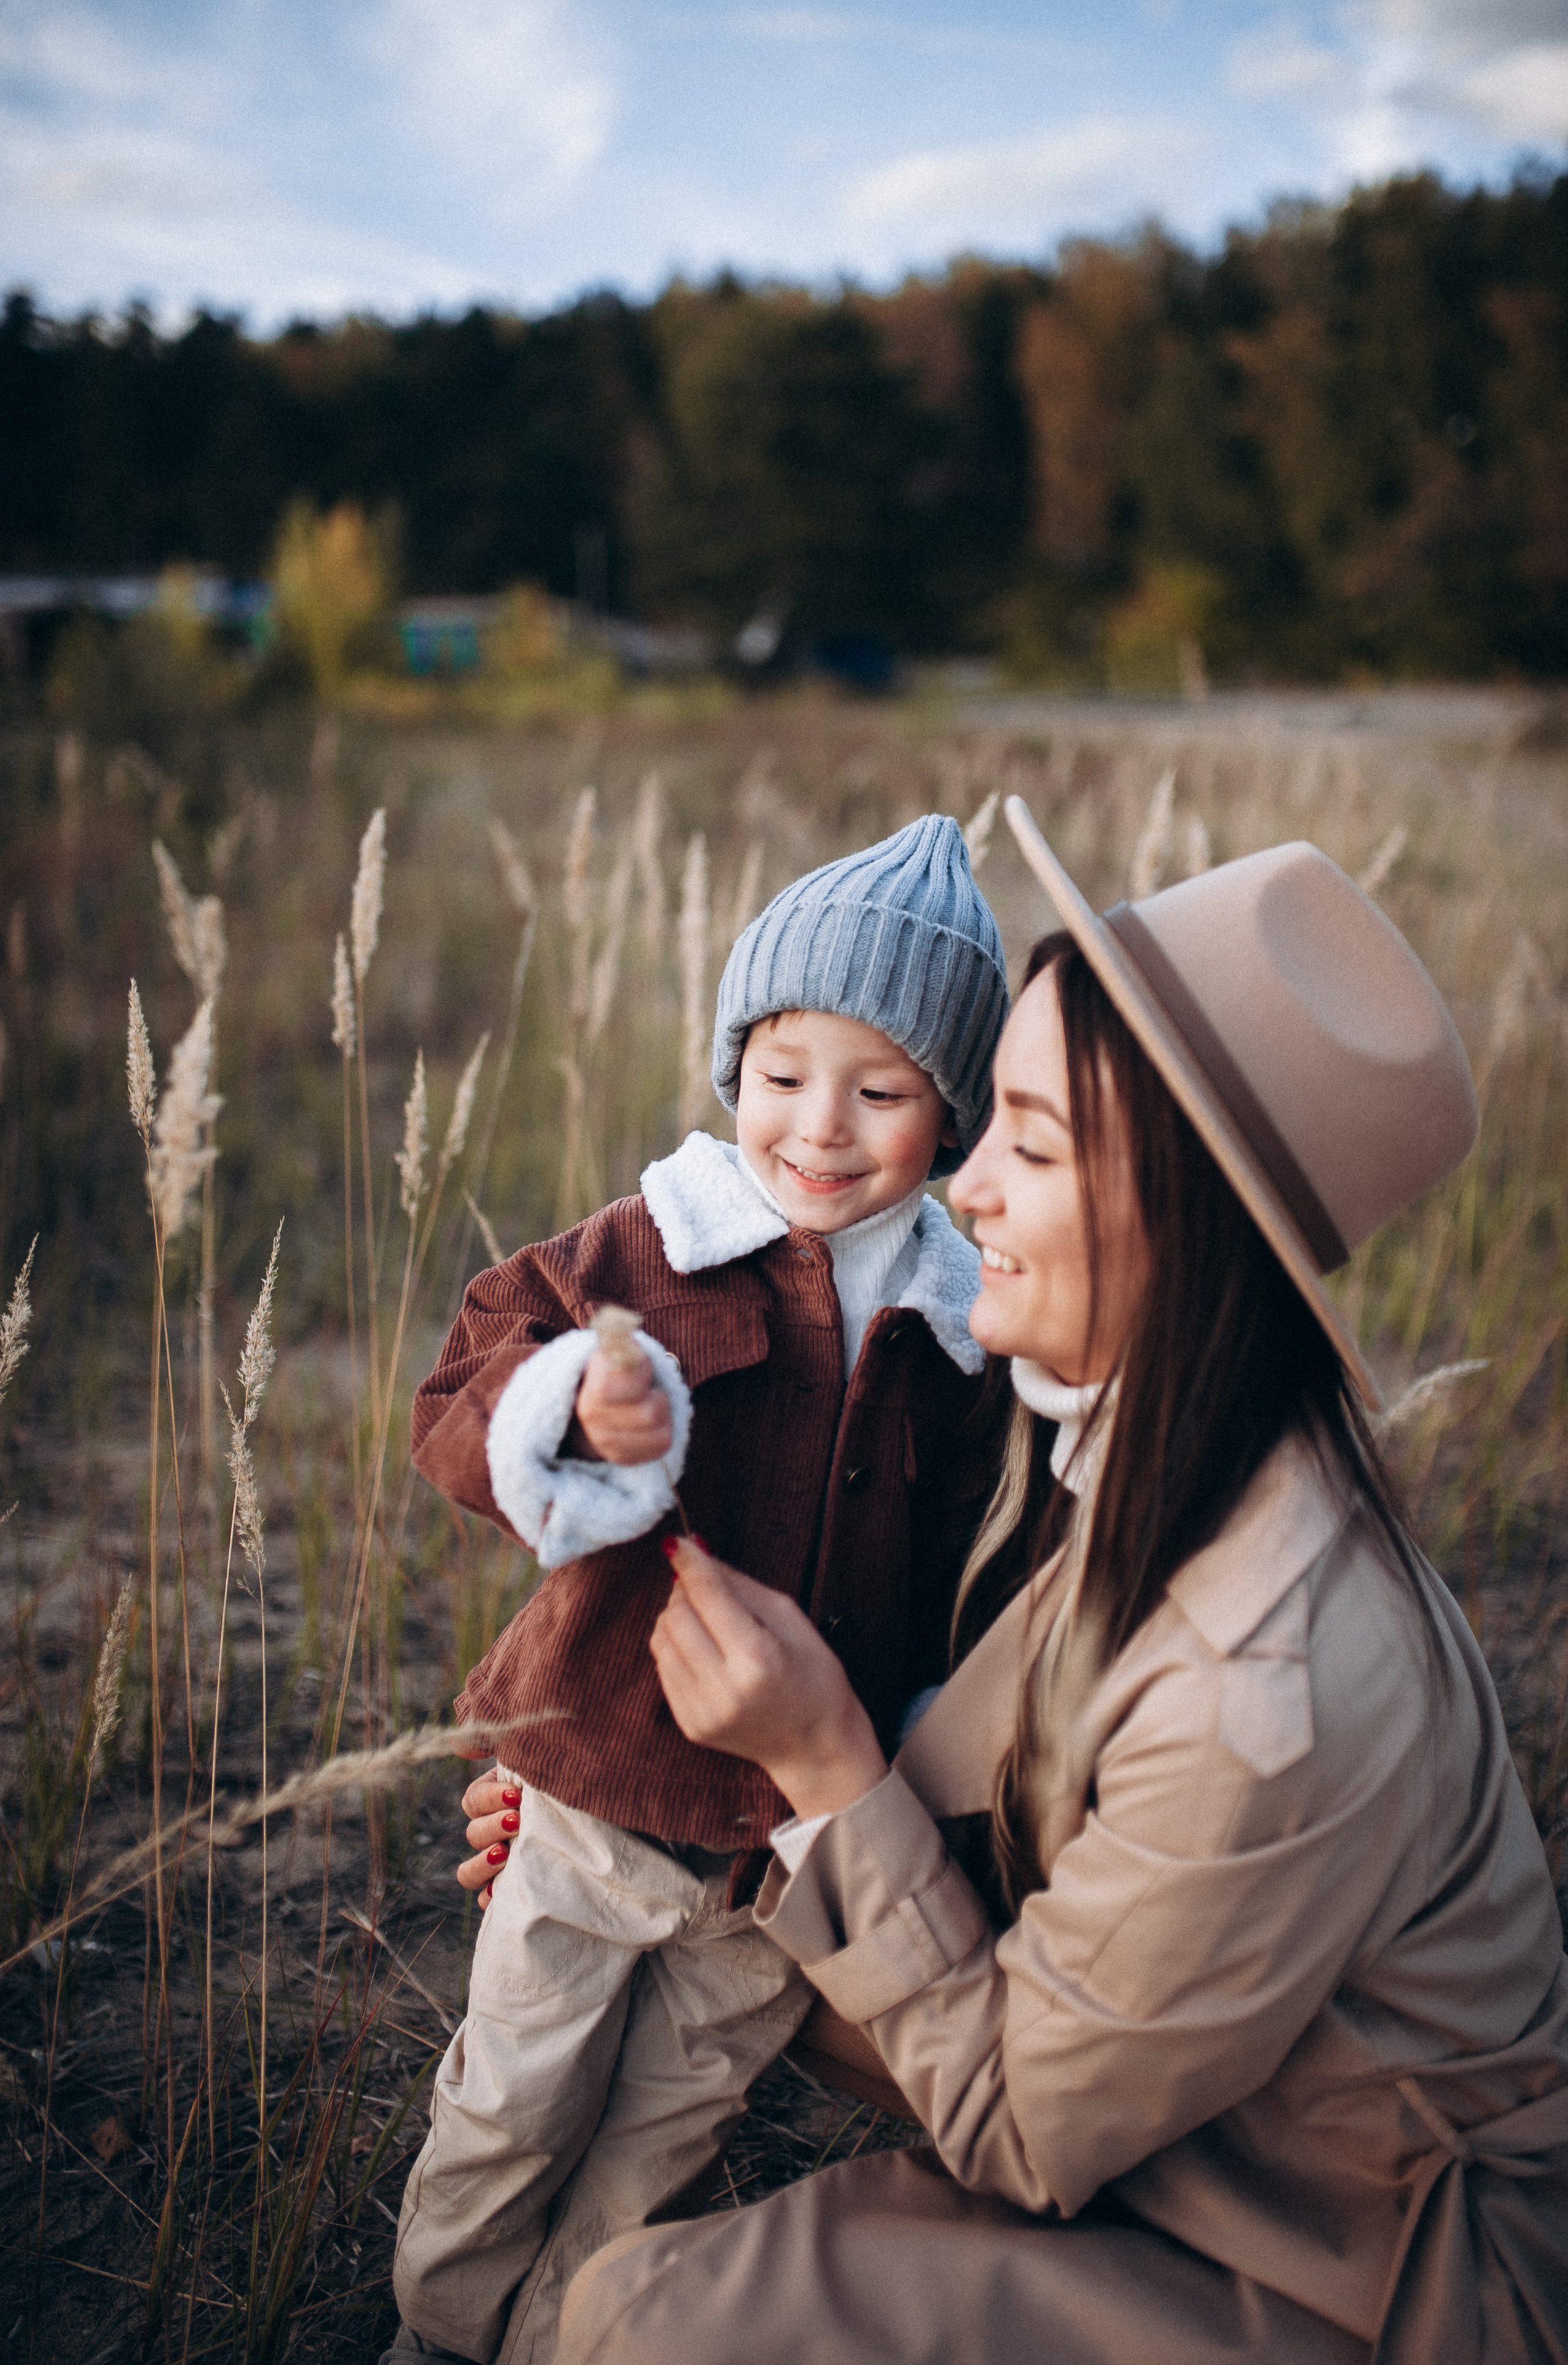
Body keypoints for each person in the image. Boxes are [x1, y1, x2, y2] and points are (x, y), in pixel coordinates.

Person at [551, 803, 1568, 2365]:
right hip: (1200, 2146)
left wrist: (817, 1761)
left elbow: (1020, 2117)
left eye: (1026, 1146)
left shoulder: (1263, 1678)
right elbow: (967, 1828)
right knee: (625, 2305)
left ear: (1191, 1228)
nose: (960, 1191)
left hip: (1354, 2267)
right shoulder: (1127, 1467)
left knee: (645, 2328)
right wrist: (636, 1799)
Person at [385, 815, 1014, 2365]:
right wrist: (565, 1409)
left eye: (881, 1091)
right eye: (785, 1074)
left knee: (656, 2145)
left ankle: (558, 2342)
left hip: (781, 1857)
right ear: (737, 1062)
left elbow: (978, 1568)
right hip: (598, 1784)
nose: (820, 1126)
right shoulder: (649, 1247)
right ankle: (436, 2333)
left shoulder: (963, 1325)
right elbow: (461, 1384)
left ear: (952, 1111)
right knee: (511, 2108)